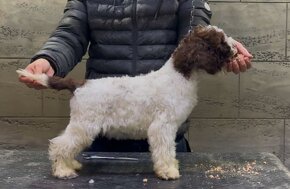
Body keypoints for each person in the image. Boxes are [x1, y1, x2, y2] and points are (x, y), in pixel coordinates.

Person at [19, 0, 252, 152]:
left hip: (168, 134)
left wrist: (223, 51)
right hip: (102, 127)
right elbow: (70, 33)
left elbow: (195, 33)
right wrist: (49, 59)